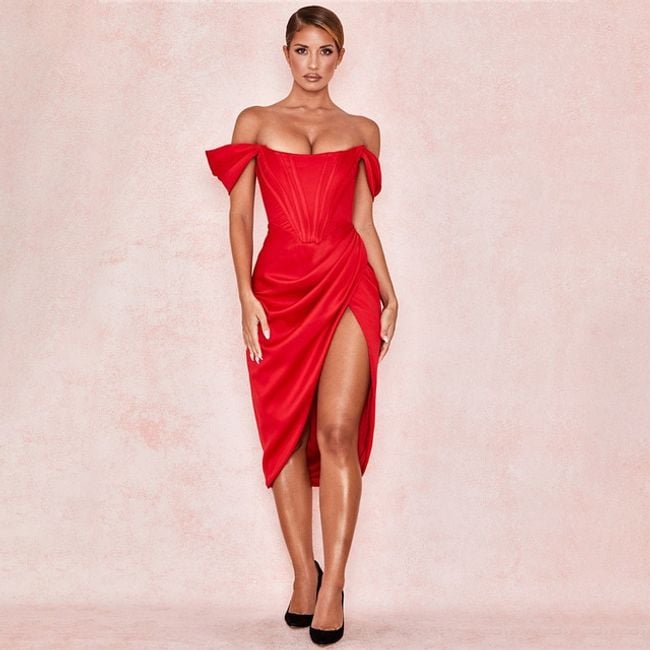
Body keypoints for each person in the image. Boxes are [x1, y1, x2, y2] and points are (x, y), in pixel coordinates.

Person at [205, 5, 398, 645]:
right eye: (302, 50)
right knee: (285, 431)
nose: (313, 63)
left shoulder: (363, 130)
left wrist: (389, 291)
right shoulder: (256, 121)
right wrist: (244, 295)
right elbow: (240, 217)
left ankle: (334, 584)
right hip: (278, 288)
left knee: (336, 429)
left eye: (326, 51)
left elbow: (363, 223)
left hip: (346, 280)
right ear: (285, 53)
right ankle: (303, 575)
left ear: (340, 57)